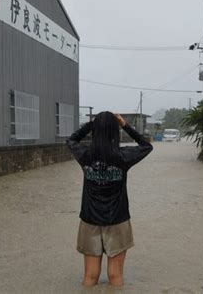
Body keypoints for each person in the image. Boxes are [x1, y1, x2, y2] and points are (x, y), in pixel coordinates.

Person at [66, 112, 153, 287]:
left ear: (94, 130)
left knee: (90, 276)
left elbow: (71, 140)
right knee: (115, 275)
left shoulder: (85, 155)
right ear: (115, 131)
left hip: (89, 220)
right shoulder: (123, 156)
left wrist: (92, 124)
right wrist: (125, 125)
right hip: (118, 220)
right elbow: (146, 145)